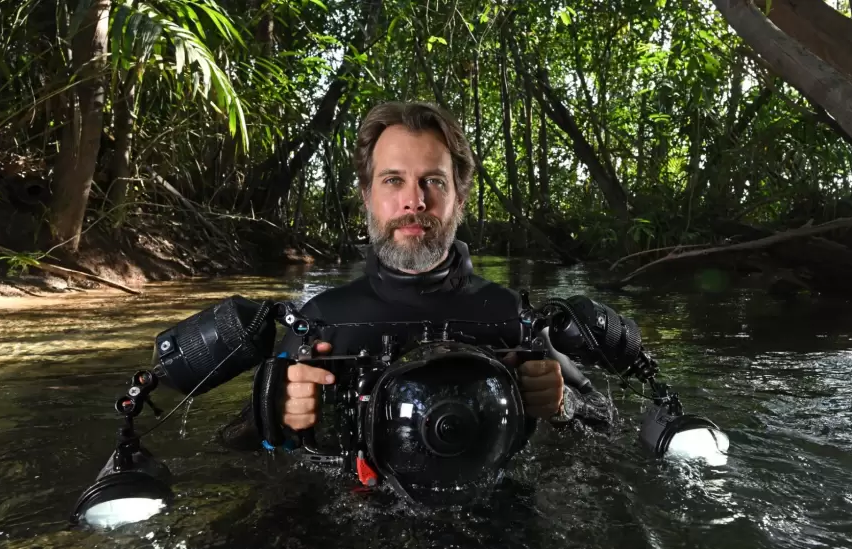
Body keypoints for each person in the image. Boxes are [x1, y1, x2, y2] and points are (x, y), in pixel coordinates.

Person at [220, 100, 613, 455]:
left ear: (459, 197)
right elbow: (230, 447)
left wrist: (563, 406)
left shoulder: (511, 317)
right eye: (393, 180)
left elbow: (605, 421)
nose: (415, 200)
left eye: (434, 181)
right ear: (367, 196)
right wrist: (273, 412)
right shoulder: (322, 322)